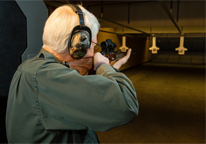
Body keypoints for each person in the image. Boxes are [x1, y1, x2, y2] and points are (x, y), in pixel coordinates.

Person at [6, 4, 139, 143]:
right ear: (79, 42)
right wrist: (103, 66)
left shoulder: (32, 67)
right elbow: (126, 105)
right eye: (94, 45)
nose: (93, 52)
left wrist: (108, 72)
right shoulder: (46, 76)